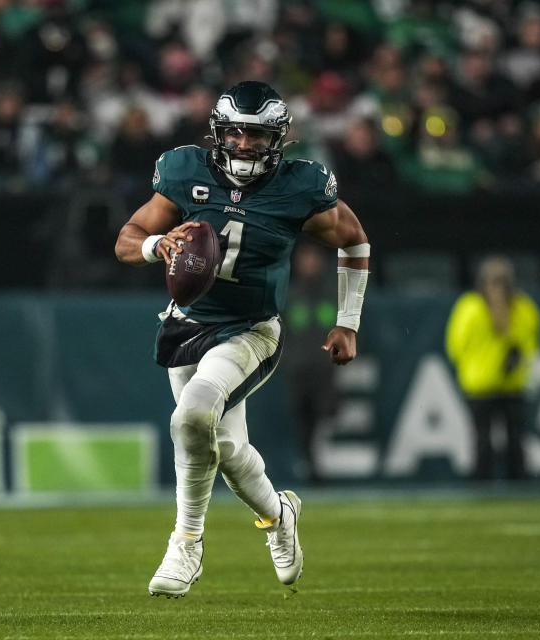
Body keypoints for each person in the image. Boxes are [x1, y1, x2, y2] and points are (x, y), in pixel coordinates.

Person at [114, 81, 370, 597]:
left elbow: (354, 239)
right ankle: (280, 517)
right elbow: (127, 239)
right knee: (226, 446)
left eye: (255, 136)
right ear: (218, 133)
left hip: (249, 330)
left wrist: (348, 320)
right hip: (187, 322)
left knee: (192, 414)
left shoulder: (301, 187)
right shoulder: (187, 172)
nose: (245, 145)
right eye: (235, 133)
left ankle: (185, 543)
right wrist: (159, 245)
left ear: (277, 139)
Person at [445, 255, 540, 482]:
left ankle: (483, 483)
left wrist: (474, 365)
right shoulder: (522, 307)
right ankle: (517, 484)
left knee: (484, 439)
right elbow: (531, 344)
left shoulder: (470, 308)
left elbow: (455, 346)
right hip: (509, 384)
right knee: (513, 438)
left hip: (480, 384)